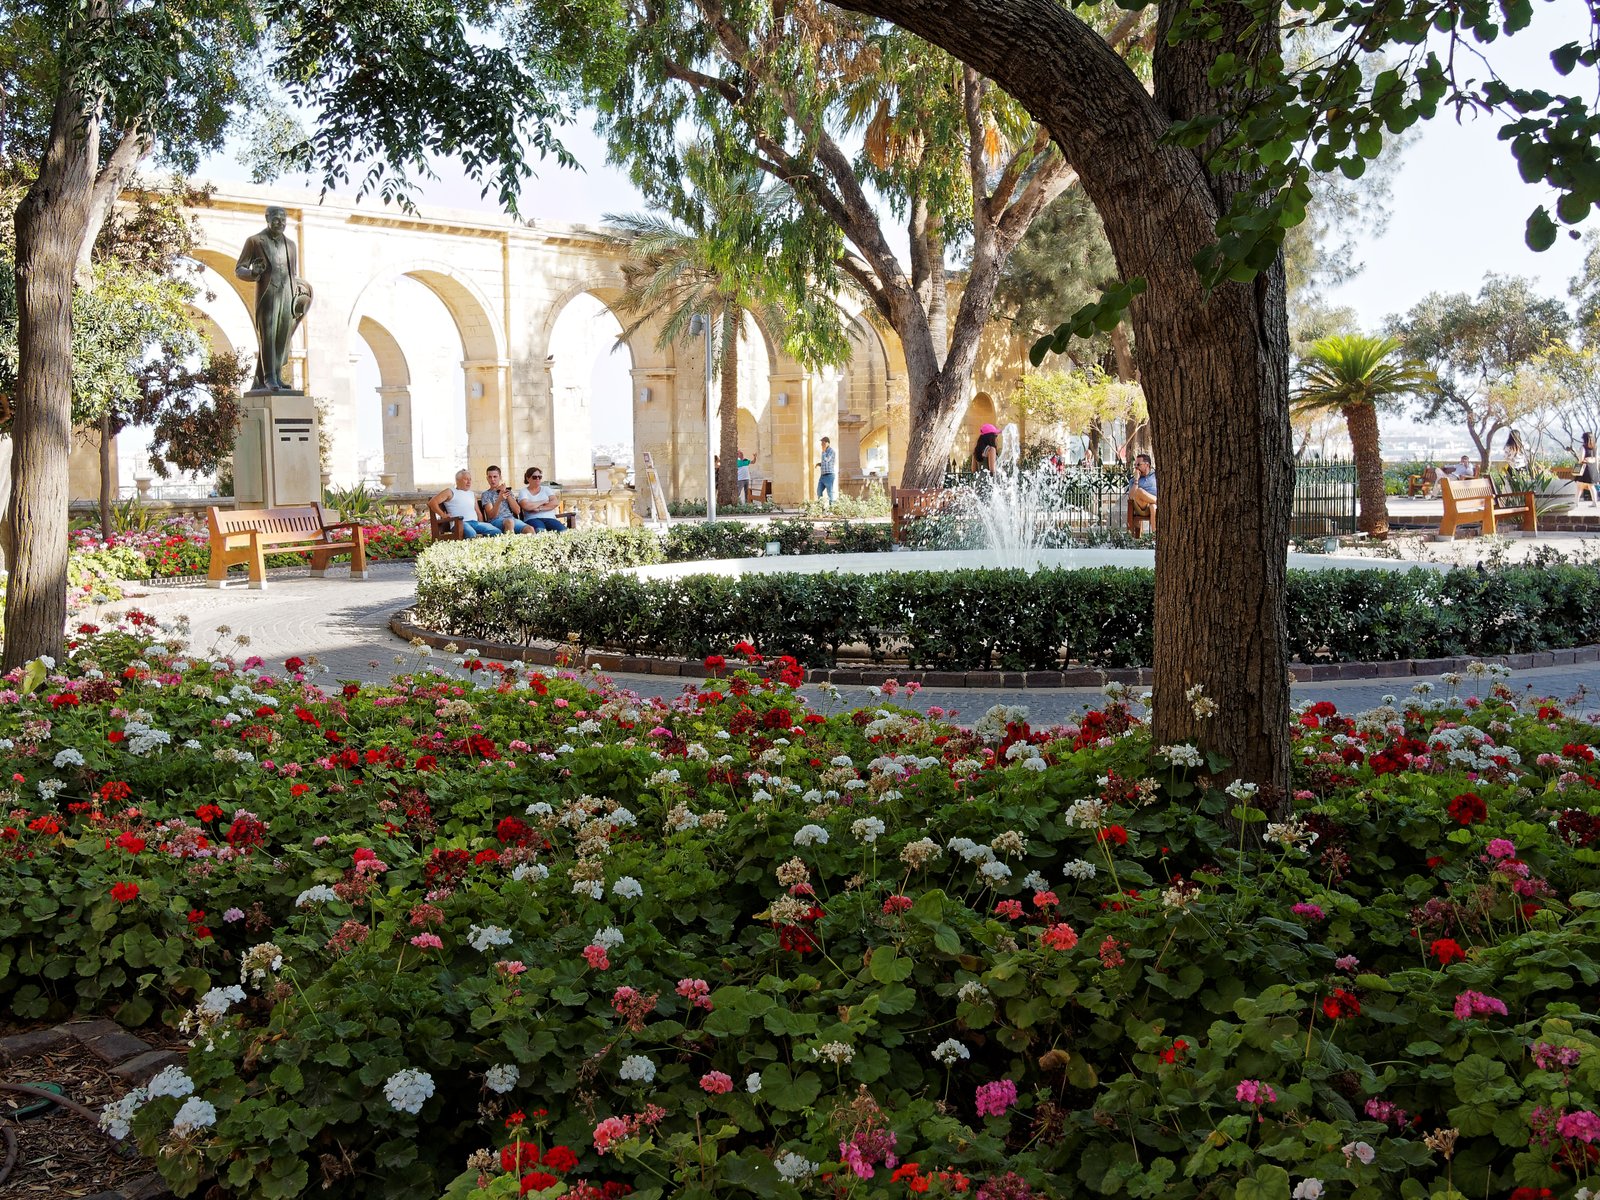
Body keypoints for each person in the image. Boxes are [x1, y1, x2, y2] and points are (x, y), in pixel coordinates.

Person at [234, 206, 313, 393]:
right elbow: (239, 269)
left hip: (287, 295)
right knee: (268, 337)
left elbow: (292, 274)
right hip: (267, 296)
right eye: (277, 219)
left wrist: (299, 293)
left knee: (282, 337)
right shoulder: (254, 241)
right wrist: (252, 273)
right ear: (267, 218)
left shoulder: (291, 245)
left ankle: (276, 375)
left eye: (284, 219)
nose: (281, 223)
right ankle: (269, 378)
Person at [429, 470, 502, 538]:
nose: (469, 482)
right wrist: (442, 515)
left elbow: (478, 513)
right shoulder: (450, 491)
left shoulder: (471, 494)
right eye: (466, 479)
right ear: (457, 481)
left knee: (497, 532)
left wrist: (482, 526)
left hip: (475, 523)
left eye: (470, 479)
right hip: (460, 523)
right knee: (471, 533)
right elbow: (432, 502)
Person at [479, 465, 532, 534]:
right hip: (496, 521)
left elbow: (517, 511)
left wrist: (506, 493)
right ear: (487, 478)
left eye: (495, 476)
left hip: (512, 519)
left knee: (530, 529)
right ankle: (509, 544)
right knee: (509, 522)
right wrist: (499, 499)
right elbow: (491, 516)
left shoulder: (507, 492)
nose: (492, 479)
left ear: (500, 477)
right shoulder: (486, 494)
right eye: (490, 477)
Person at [515, 467, 568, 532]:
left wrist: (539, 508)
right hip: (532, 519)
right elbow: (526, 506)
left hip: (550, 518)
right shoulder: (523, 491)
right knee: (540, 530)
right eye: (534, 477)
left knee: (564, 531)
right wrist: (544, 501)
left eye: (539, 477)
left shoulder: (546, 489)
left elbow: (555, 503)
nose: (537, 479)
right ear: (528, 478)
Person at [1126, 452, 1157, 535]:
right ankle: (1157, 501)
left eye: (1138, 464)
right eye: (1135, 464)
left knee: (1153, 506)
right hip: (1142, 507)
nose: (1136, 466)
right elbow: (1131, 497)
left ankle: (1155, 536)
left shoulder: (1156, 476)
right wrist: (1136, 480)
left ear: (1147, 465)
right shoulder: (1133, 480)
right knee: (1139, 491)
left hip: (1154, 506)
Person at [816, 436, 837, 507]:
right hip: (822, 476)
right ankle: (820, 508)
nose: (822, 444)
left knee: (830, 492)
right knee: (819, 491)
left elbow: (827, 460)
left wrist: (824, 451)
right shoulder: (823, 452)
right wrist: (819, 464)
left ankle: (832, 508)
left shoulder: (831, 451)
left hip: (829, 475)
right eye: (821, 443)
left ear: (827, 443)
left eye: (823, 443)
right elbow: (824, 463)